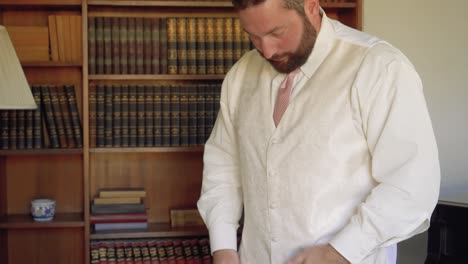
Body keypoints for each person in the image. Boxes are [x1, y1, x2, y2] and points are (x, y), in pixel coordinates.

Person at [197, 0, 440, 263]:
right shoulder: (241, 74)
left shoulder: (379, 67)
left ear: (311, 6)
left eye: (276, 33)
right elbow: (222, 168)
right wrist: (223, 247)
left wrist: (341, 251)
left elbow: (411, 184)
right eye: (254, 36)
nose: (266, 51)